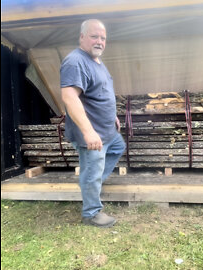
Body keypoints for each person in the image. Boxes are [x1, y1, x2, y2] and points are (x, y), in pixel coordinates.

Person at [60, 19, 125, 228]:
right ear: (82, 37)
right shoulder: (75, 62)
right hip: (92, 132)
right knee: (92, 168)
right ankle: (91, 213)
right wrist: (88, 132)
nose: (99, 41)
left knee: (117, 147)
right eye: (94, 36)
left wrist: (112, 115)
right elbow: (70, 97)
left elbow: (99, 91)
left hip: (106, 129)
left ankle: (92, 183)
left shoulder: (95, 60)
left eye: (103, 38)